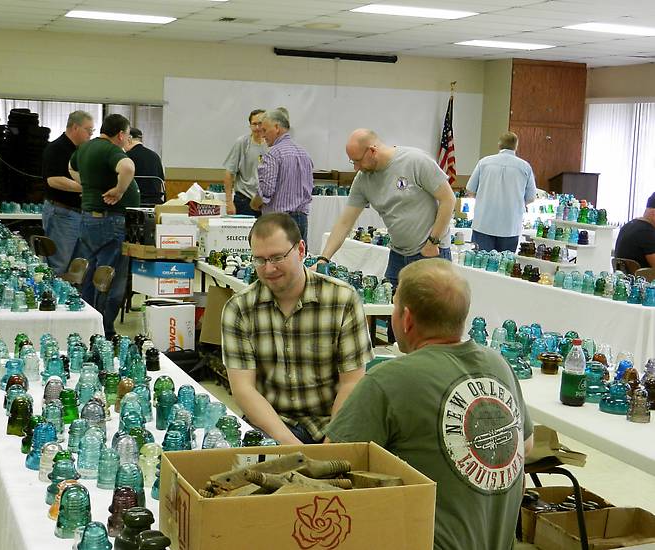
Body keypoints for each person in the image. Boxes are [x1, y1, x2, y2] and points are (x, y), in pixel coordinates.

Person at [326, 259, 534, 550]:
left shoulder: (388, 380)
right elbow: (526, 446)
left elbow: (330, 465)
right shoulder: (498, 365)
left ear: (406, 318)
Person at [221, 213, 372, 445]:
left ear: (301, 250)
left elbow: (352, 383)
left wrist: (331, 443)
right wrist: (293, 447)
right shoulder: (239, 308)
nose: (269, 269)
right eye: (259, 260)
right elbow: (243, 389)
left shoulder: (342, 299)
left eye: (277, 257)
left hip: (331, 424)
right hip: (271, 425)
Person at [318, 129, 456, 288]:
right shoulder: (363, 180)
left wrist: (433, 242)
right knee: (390, 301)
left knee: (428, 303)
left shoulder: (415, 161)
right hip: (398, 254)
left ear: (372, 151)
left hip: (430, 253)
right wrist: (324, 259)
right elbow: (344, 223)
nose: (356, 167)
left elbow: (448, 199)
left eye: (357, 161)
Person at [69, 113, 139, 339]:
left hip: (89, 219)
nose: (127, 140)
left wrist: (88, 185)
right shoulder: (111, 150)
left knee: (90, 275)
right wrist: (119, 191)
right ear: (120, 135)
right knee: (110, 278)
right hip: (110, 221)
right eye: (127, 136)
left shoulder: (85, 148)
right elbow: (128, 168)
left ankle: (88, 325)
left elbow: (70, 167)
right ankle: (104, 332)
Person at [41, 110, 94, 274]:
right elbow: (53, 180)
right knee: (59, 264)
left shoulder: (80, 151)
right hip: (62, 213)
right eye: (88, 130)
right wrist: (85, 189)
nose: (90, 134)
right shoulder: (56, 149)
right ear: (75, 127)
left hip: (79, 214)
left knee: (76, 267)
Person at [466, 131, 537, 253]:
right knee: (505, 263)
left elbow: (470, 190)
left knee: (479, 262)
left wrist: (484, 199)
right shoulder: (525, 167)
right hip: (510, 226)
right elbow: (531, 197)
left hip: (484, 223)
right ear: (516, 146)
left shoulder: (484, 162)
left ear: (499, 144)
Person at [252, 109, 313, 243]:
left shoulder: (273, 154)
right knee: (299, 254)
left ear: (276, 128)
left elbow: (266, 191)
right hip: (302, 219)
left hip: (279, 222)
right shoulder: (305, 154)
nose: (263, 135)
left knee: (276, 255)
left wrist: (254, 203)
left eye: (265, 130)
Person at [223, 109, 268, 216]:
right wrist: (229, 202)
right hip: (245, 200)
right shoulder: (242, 143)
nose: (257, 128)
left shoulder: (272, 144)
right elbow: (229, 173)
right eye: (254, 124)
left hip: (267, 203)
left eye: (260, 124)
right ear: (250, 125)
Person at [614, 192, 655, 269]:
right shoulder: (647, 232)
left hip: (623, 276)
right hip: (642, 276)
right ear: (653, 213)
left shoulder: (627, 226)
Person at [125, 127, 165, 206]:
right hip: (156, 202)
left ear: (129, 139)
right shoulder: (155, 156)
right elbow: (161, 181)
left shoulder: (126, 157)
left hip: (134, 202)